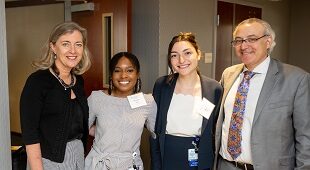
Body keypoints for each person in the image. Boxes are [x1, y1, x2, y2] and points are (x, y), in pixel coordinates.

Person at [214, 18, 310, 170]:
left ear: (268, 41)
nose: (244, 46)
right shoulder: (228, 74)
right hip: (225, 165)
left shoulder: (296, 79)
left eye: (251, 39)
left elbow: (306, 137)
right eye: (238, 41)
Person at [20, 21, 91, 170]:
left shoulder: (79, 81)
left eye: (78, 44)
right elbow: (30, 134)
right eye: (66, 44)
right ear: (53, 47)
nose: (73, 50)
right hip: (47, 161)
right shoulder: (38, 81)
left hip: (77, 156)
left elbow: (77, 123)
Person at [150, 32, 223, 170]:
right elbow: (154, 129)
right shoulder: (161, 85)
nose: (181, 60)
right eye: (174, 55)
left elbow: (216, 131)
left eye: (187, 53)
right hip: (167, 157)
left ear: (198, 54)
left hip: (199, 160)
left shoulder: (214, 89)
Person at [85, 52, 157, 170]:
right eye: (117, 70)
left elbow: (158, 133)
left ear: (137, 74)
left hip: (130, 164)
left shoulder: (147, 102)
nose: (123, 75)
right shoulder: (97, 98)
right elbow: (80, 128)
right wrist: (101, 130)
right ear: (111, 75)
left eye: (129, 70)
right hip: (100, 164)